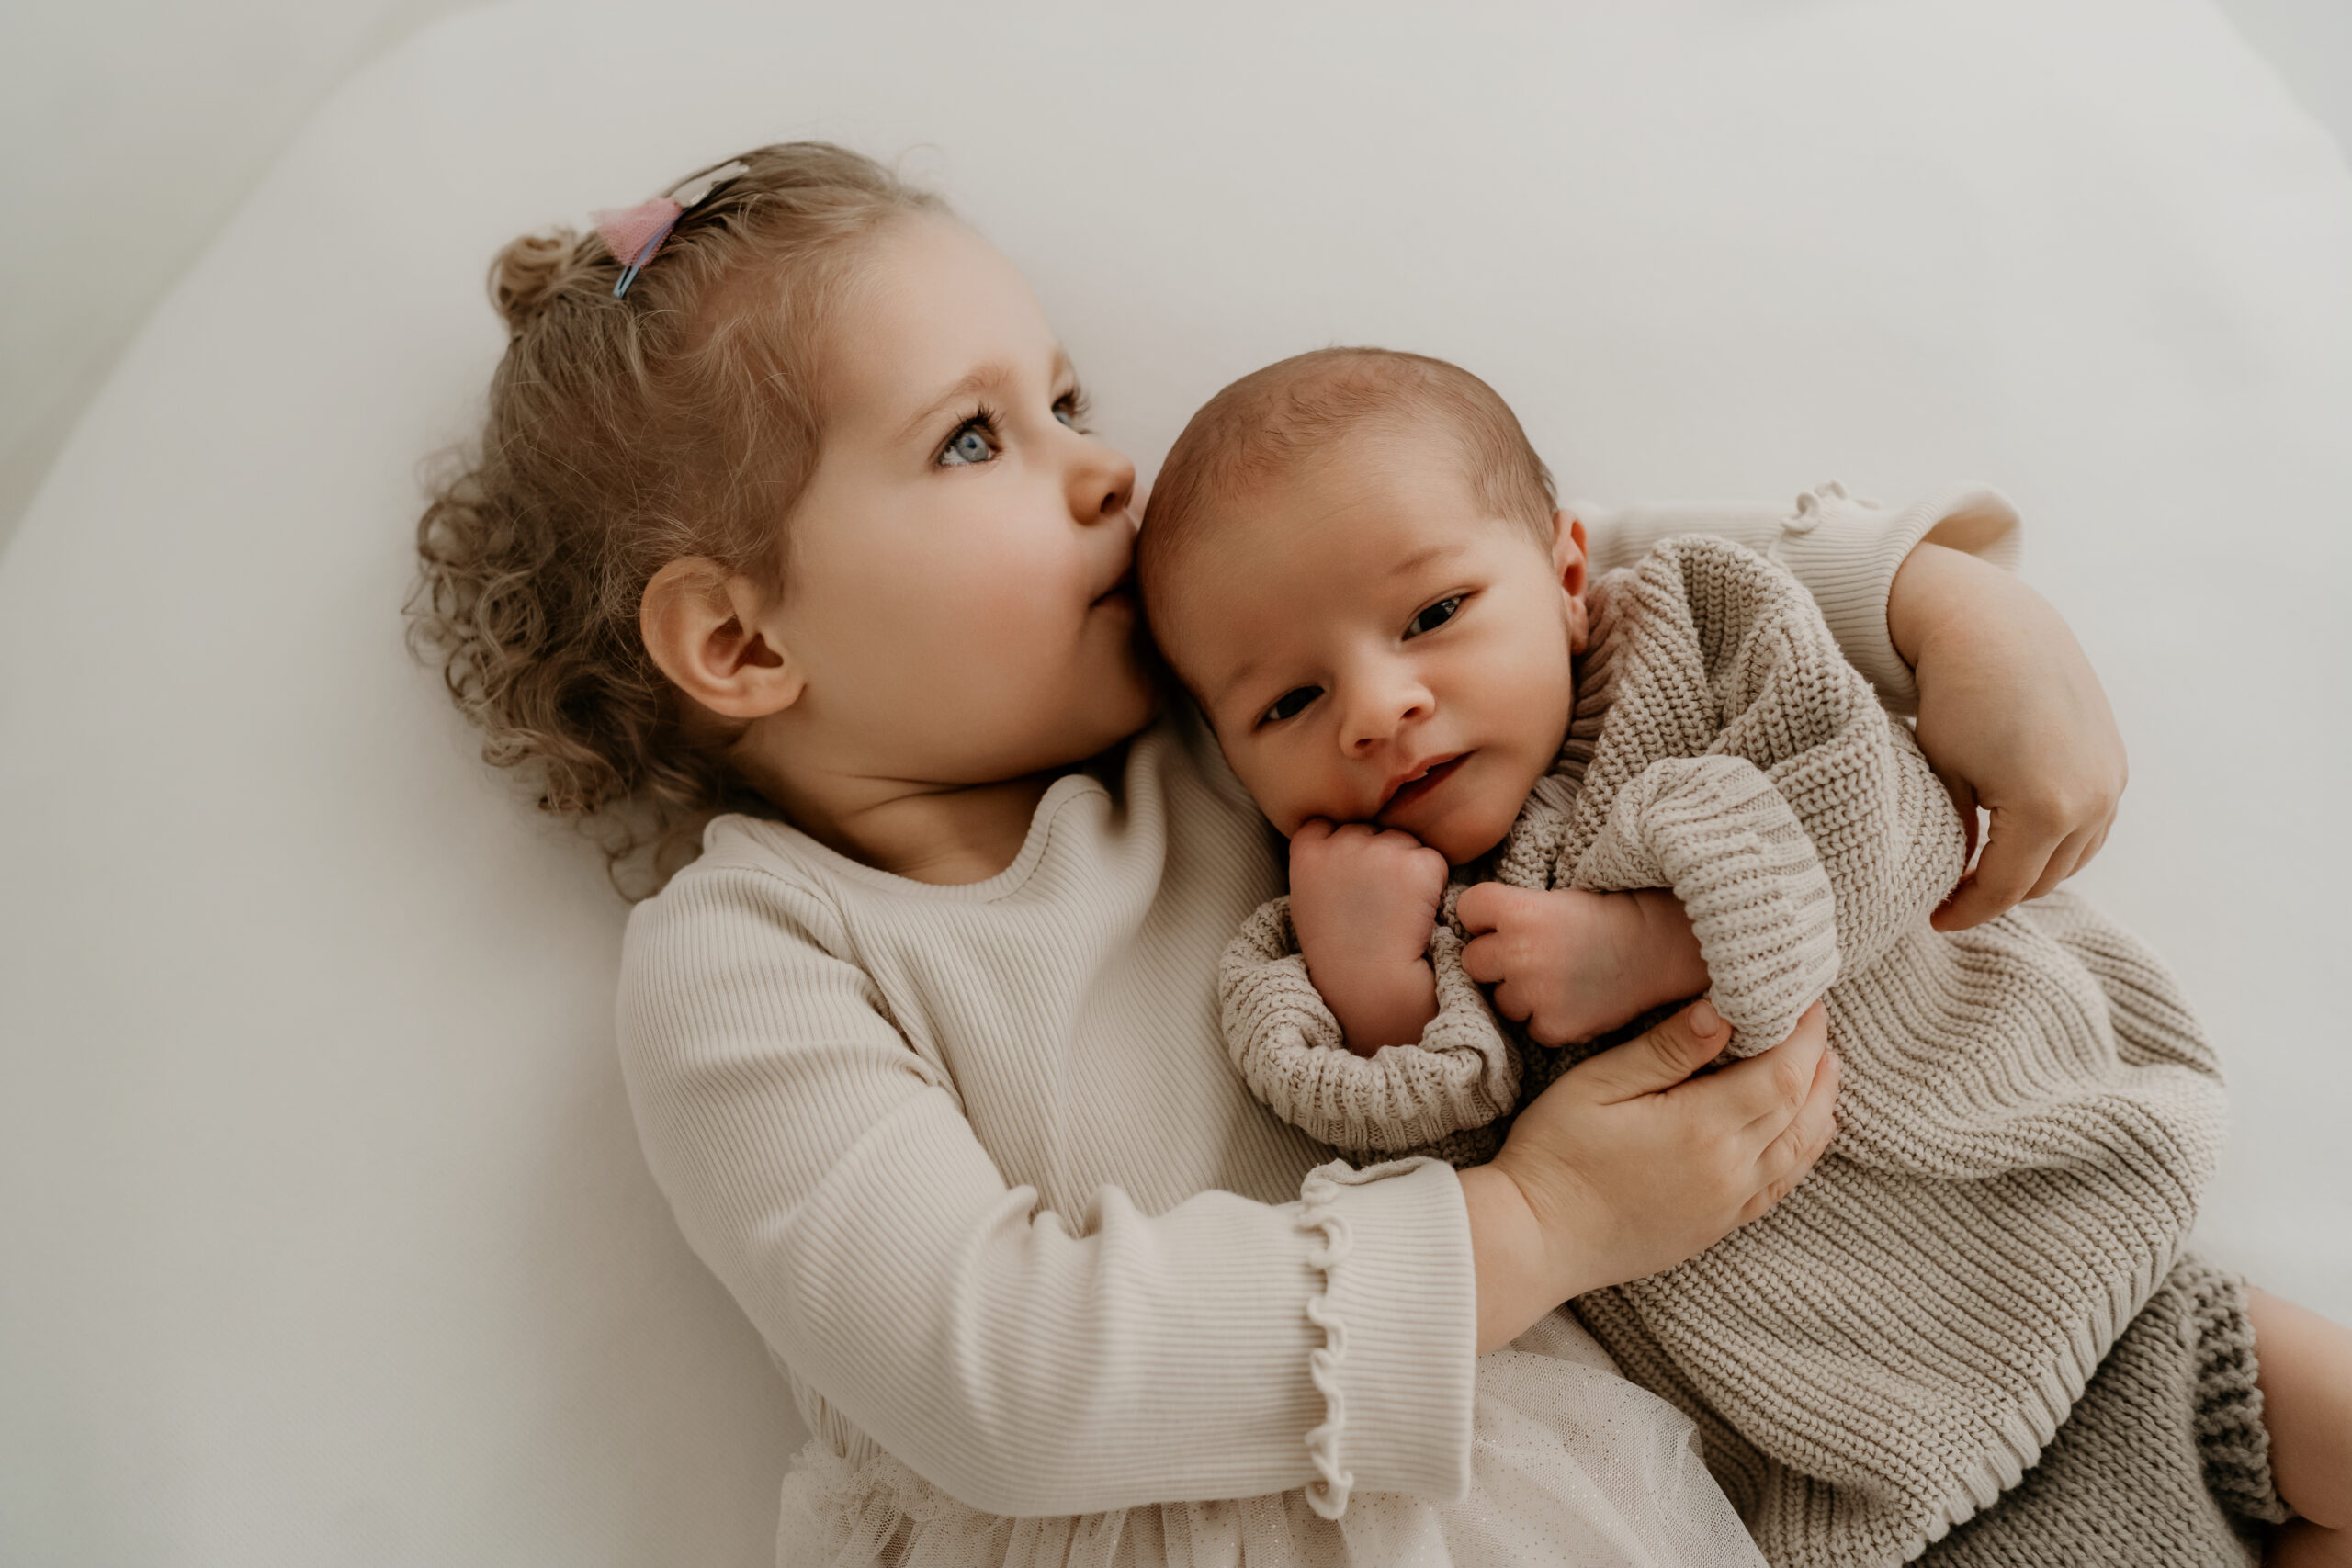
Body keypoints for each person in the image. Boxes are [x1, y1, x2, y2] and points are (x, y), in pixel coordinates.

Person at [410, 144, 2165, 1566]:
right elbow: (997, 1376)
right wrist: (1535, 1223)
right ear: (737, 644)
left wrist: (1939, 608)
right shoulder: (754, 953)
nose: (1106, 472)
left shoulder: (1242, 716)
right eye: (974, 437)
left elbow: (1526, 564)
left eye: (1071, 397)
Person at [1136, 345, 2352, 1568]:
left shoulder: (1704, 642)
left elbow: (1906, 813)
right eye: (1288, 703)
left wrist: (1669, 941)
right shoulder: (1331, 932)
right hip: (1887, 1476)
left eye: (1435, 615)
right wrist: (1379, 996)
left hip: (2097, 1262)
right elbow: (1443, 1221)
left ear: (1569, 576)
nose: (1377, 704)